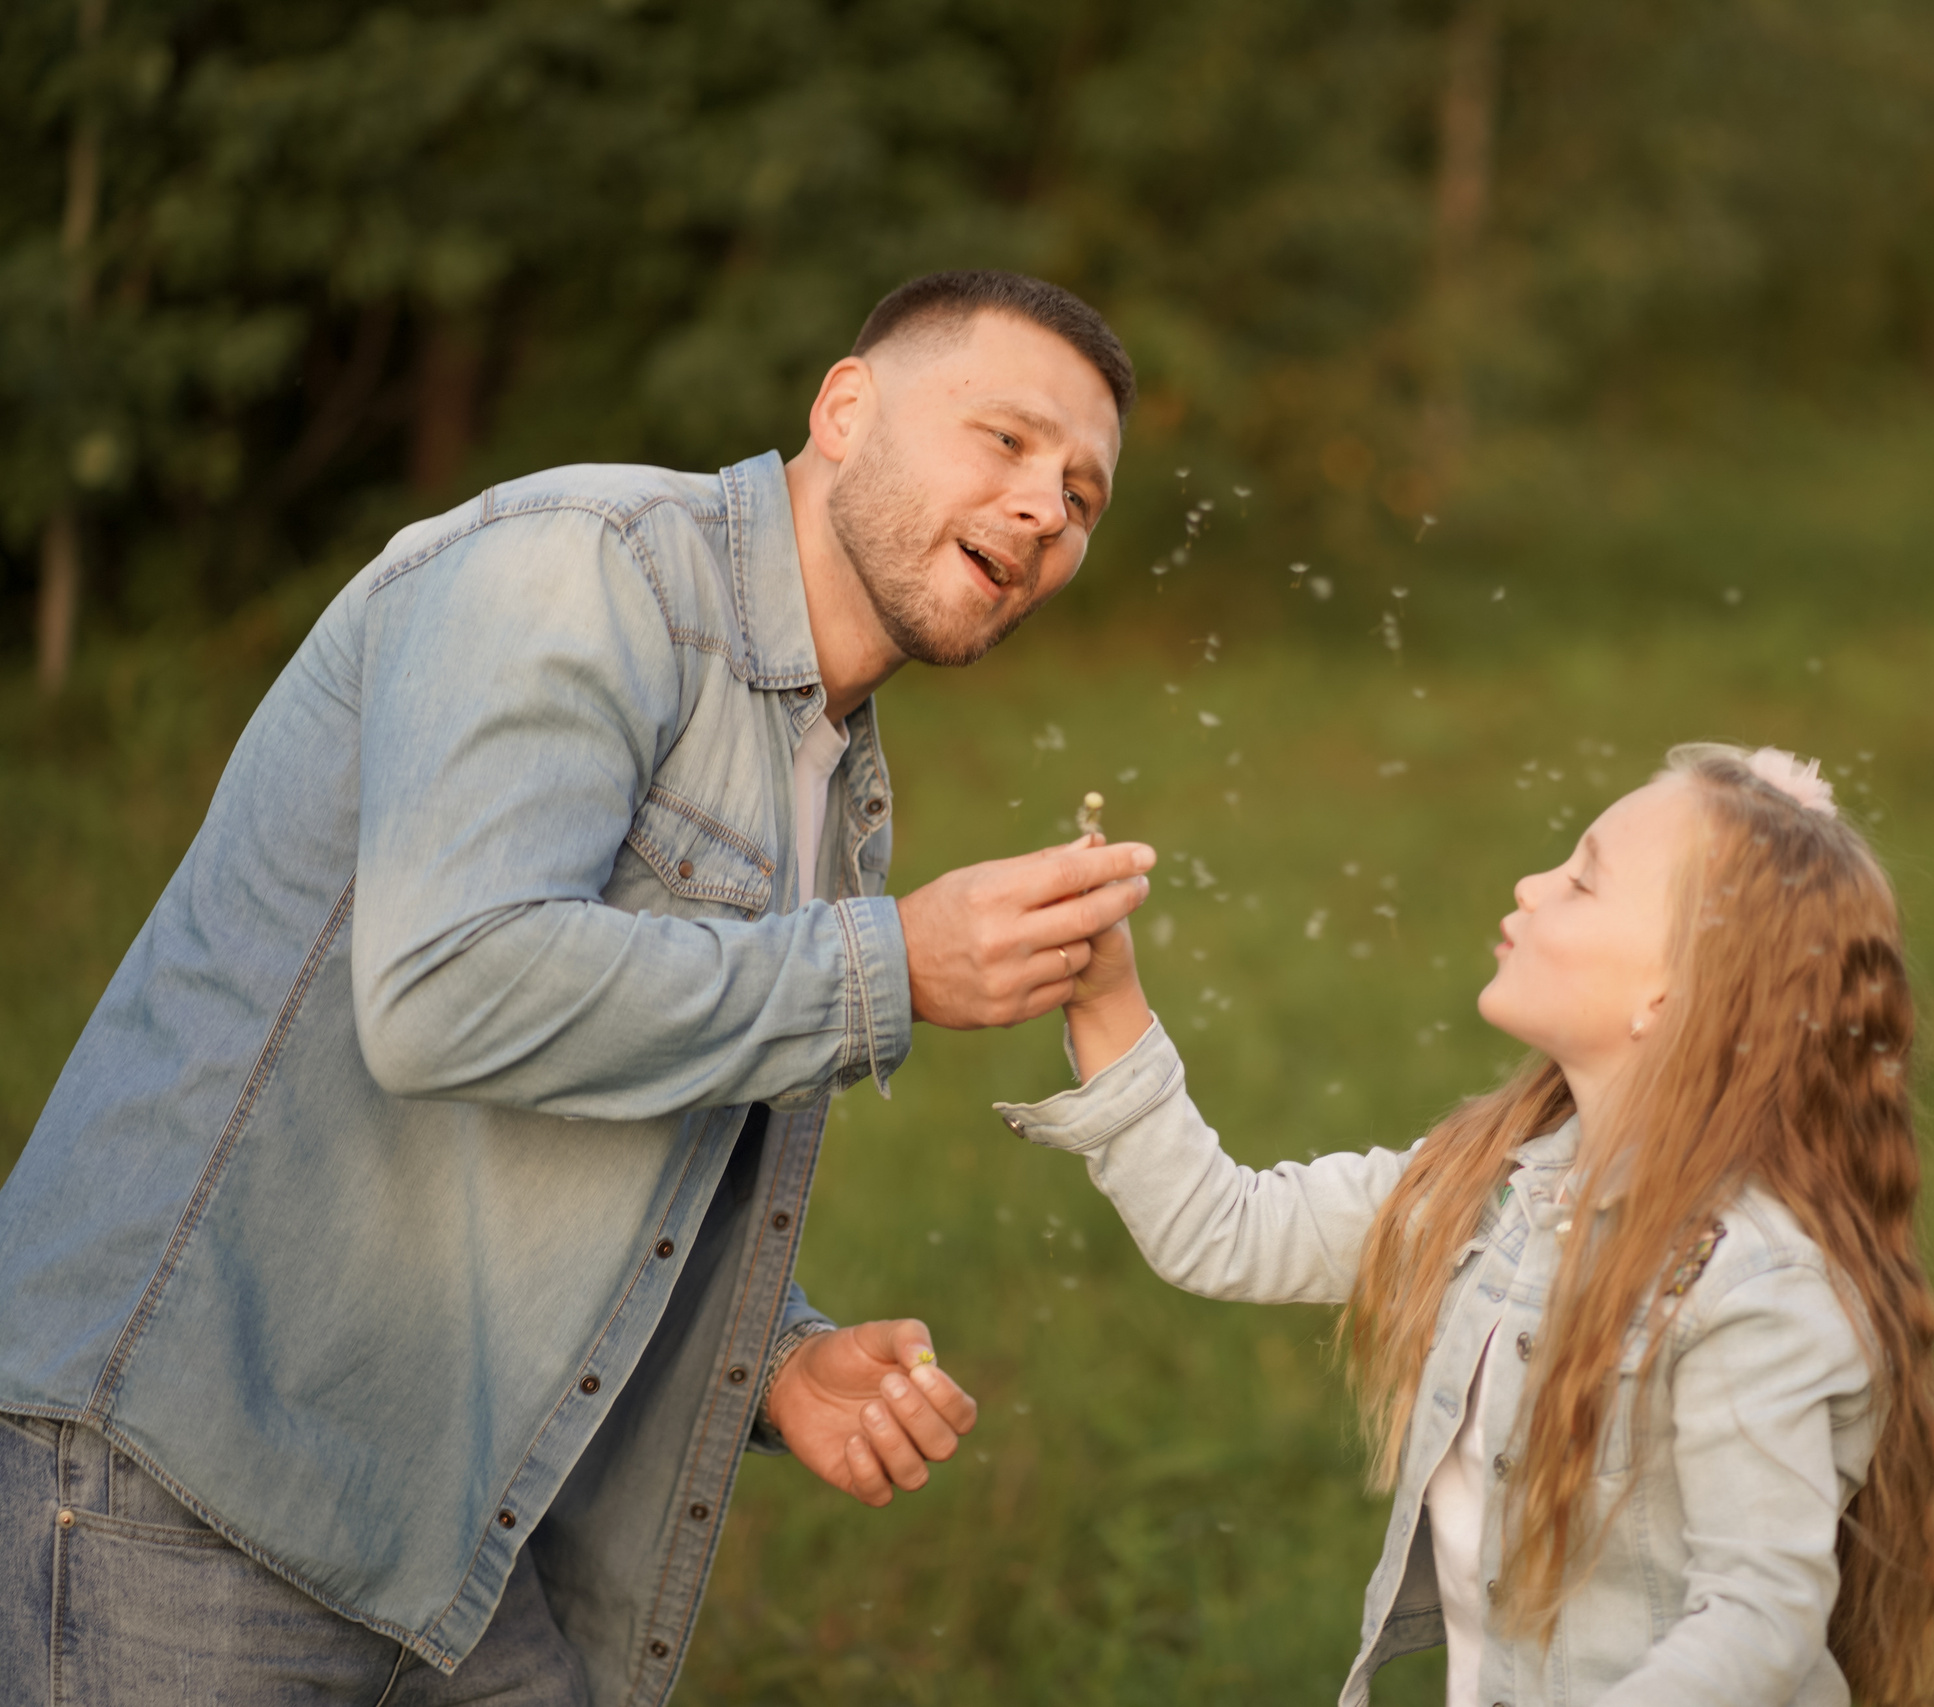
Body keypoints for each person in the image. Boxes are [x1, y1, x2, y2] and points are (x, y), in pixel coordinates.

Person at [0, 270, 1160, 1703]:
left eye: (1086, 492)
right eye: (1005, 439)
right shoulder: (583, 567)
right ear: (846, 411)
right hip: (187, 1482)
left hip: (443, 1533)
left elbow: (606, 1073)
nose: (1048, 504)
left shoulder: (838, 776)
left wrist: (775, 1353)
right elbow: (452, 985)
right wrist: (892, 964)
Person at [998, 744, 1934, 1707]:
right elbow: (1222, 1227)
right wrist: (1107, 998)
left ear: (1672, 995)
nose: (1531, 884)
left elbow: (1758, 1618)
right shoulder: (1488, 1193)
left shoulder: (1747, 1286)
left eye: (1582, 880)